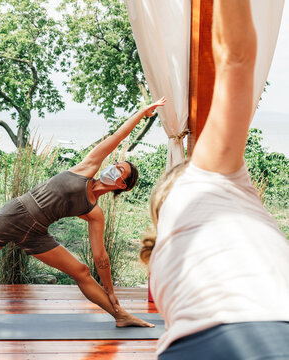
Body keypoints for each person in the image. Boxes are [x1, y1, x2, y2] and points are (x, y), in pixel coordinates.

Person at [0, 97, 167, 332]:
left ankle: (119, 315)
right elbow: (118, 136)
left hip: (36, 234)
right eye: (115, 164)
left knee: (81, 271)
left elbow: (100, 256)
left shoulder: (94, 212)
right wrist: (141, 113)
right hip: (14, 215)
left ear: (122, 185)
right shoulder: (87, 167)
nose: (113, 168)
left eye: (119, 170)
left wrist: (110, 289)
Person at [140, 1, 289, 359]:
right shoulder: (204, 180)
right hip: (262, 334)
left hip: (188, 346)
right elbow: (235, 58)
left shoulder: (163, 260)